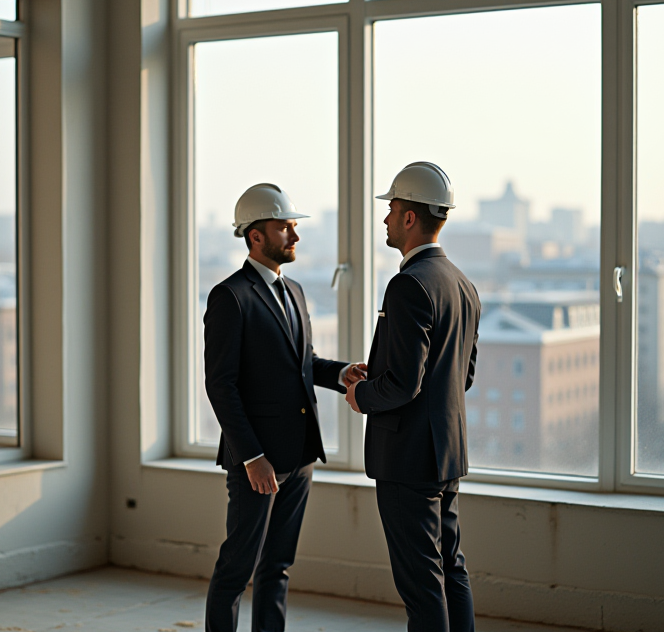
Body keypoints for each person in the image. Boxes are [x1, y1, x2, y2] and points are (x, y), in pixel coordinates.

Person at [204, 183, 366, 632]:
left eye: (294, 227)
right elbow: (221, 386)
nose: (295, 236)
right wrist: (252, 457)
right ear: (256, 236)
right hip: (258, 461)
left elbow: (302, 364)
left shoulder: (293, 290)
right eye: (285, 228)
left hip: (300, 455)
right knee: (237, 567)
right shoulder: (229, 296)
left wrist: (342, 373)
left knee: (277, 567)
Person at [345, 162, 481, 632]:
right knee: (451, 567)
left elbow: (404, 384)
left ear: (409, 218)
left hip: (407, 459)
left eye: (391, 209)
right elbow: (461, 376)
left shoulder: (408, 284)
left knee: (421, 583)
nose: (384, 218)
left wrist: (362, 394)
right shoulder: (462, 284)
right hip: (446, 454)